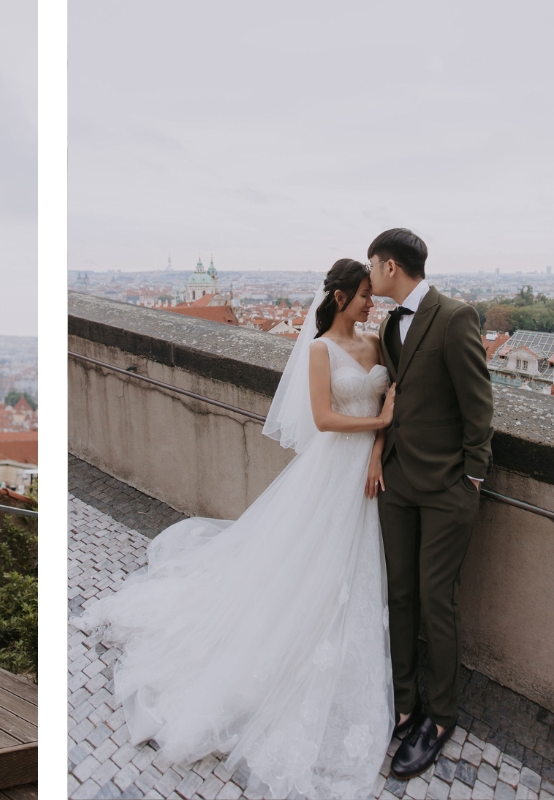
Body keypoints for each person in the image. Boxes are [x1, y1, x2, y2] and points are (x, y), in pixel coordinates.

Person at [75, 259, 398, 799]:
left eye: (373, 295)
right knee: (309, 566)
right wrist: (378, 425)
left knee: (351, 570)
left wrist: (380, 448)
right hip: (332, 468)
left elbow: (392, 401)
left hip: (364, 470)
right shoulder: (320, 351)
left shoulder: (376, 344)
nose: (372, 304)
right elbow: (324, 418)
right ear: (341, 297)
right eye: (365, 295)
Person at [367, 229, 493, 778]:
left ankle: (440, 717)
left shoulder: (455, 316)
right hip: (396, 483)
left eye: (373, 265)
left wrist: (471, 480)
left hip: (446, 490)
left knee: (435, 599)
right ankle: (403, 703)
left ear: (391, 266)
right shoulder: (391, 322)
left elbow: (478, 405)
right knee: (399, 594)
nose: (370, 275)